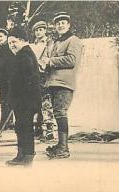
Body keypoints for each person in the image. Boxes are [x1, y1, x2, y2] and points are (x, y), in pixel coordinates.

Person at [43, 12, 83, 158]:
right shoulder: (57, 42)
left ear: (69, 25)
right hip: (54, 82)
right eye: (58, 23)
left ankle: (63, 148)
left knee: (60, 113)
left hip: (64, 83)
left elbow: (72, 60)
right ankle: (61, 145)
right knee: (57, 113)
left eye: (63, 22)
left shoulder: (74, 40)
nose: (60, 25)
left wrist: (51, 61)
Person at [5, 27, 42, 166]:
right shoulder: (22, 54)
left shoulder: (25, 55)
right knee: (20, 126)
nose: (11, 45)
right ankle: (21, 155)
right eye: (9, 43)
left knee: (25, 127)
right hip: (22, 100)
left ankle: (27, 156)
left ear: (22, 40)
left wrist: (19, 98)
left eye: (14, 42)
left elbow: (29, 80)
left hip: (26, 100)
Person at [31, 19, 56, 141]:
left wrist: (42, 64)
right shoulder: (34, 45)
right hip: (36, 77)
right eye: (36, 30)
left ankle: (49, 129)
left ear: (45, 30)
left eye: (41, 30)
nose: (38, 32)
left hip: (45, 75)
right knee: (36, 102)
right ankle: (38, 128)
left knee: (46, 103)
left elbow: (50, 57)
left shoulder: (49, 43)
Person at [0, 28, 15, 131]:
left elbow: (11, 65)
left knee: (7, 100)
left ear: (6, 37)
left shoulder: (8, 48)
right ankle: (8, 122)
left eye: (2, 36)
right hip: (3, 80)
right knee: (4, 100)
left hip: (9, 79)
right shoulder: (1, 49)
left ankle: (5, 123)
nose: (0, 38)